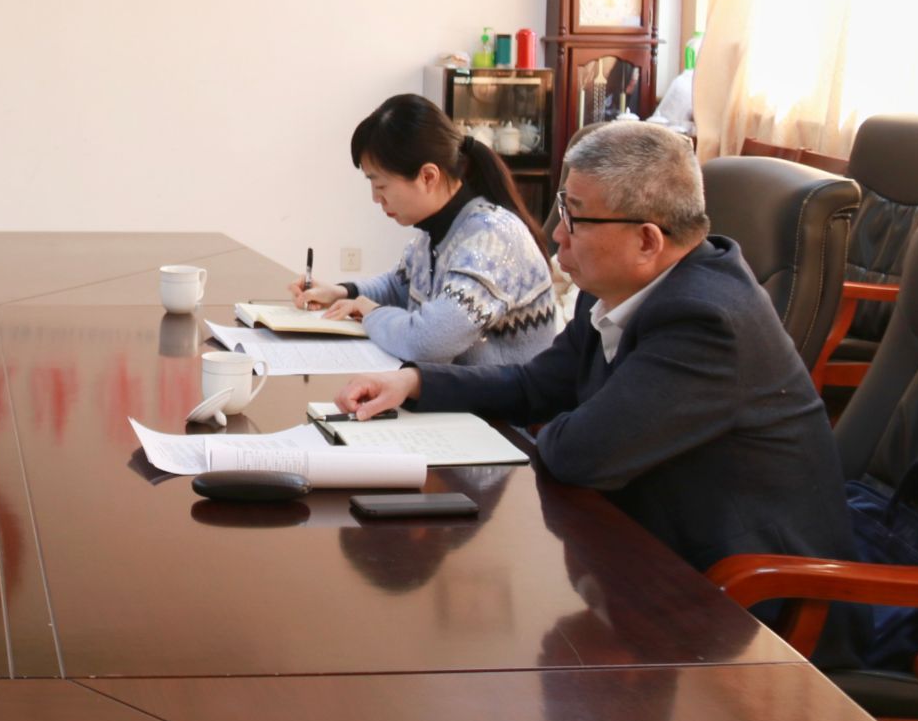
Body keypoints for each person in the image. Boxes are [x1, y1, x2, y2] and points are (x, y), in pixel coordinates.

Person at [334, 121, 855, 579]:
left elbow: (579, 454)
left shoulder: (705, 322)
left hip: (747, 597)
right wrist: (416, 382)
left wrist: (567, 421)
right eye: (563, 209)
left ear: (647, 241)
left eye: (576, 218)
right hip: (647, 551)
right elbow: (537, 384)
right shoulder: (612, 287)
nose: (558, 234)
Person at [291, 93, 558, 366]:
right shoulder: (437, 232)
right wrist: (342, 292)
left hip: (501, 394)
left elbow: (427, 343)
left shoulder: (493, 238)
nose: (375, 198)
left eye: (381, 185)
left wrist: (371, 313)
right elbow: (398, 285)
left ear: (428, 176)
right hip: (459, 388)